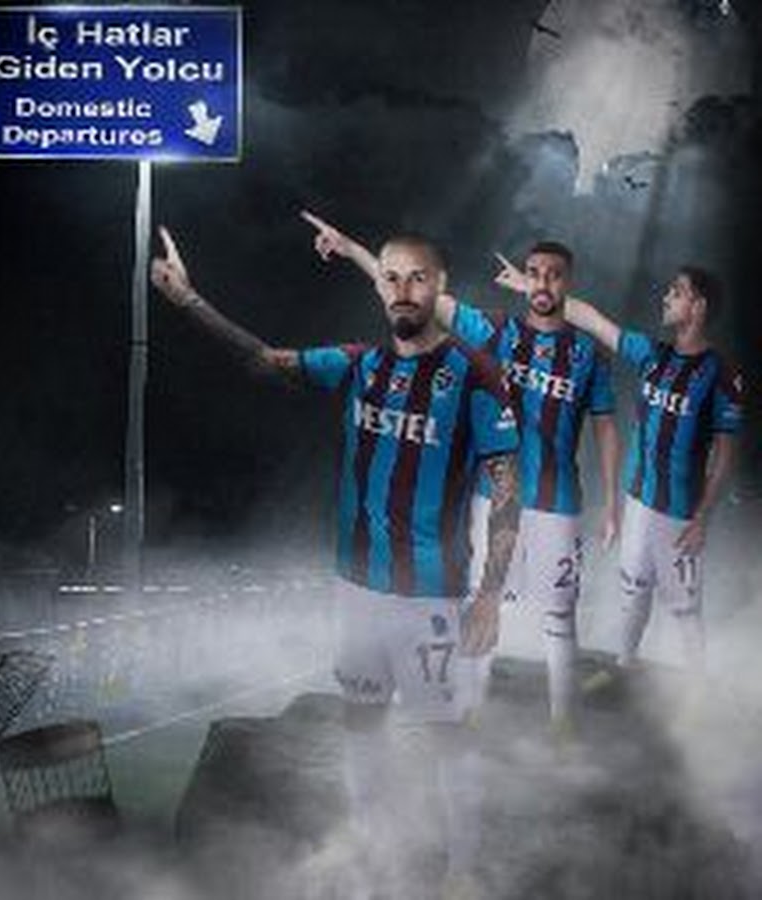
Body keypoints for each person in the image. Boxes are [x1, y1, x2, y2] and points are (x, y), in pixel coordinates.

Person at [151, 226, 520, 895]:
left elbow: (506, 492)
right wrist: (188, 300)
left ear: (439, 287)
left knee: (446, 736)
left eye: (417, 277)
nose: (402, 289)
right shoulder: (360, 365)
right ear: (378, 287)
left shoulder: (476, 376)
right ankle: (373, 857)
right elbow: (263, 360)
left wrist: (491, 595)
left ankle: (465, 870)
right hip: (357, 591)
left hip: (431, 598)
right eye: (390, 277)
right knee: (362, 725)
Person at [302, 212, 620, 737]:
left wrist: (613, 503)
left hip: (558, 504)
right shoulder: (493, 330)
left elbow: (605, 427)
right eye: (534, 273)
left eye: (554, 275)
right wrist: (350, 248)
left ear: (568, 282)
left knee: (559, 617)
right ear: (524, 280)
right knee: (475, 608)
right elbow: (409, 289)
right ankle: (466, 715)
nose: (542, 283)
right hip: (490, 498)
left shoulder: (589, 356)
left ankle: (564, 726)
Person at [494, 258, 744, 678]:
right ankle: (624, 668)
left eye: (677, 291)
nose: (666, 297)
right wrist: (530, 288)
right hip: (638, 499)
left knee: (685, 607)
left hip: (680, 513)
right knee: (633, 588)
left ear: (698, 306)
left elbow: (725, 453)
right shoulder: (652, 354)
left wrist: (702, 518)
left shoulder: (721, 375)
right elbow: (593, 321)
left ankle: (698, 692)